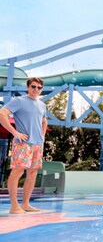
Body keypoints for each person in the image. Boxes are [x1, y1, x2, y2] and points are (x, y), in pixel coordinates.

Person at [0, 77, 48, 214]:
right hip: (23, 143)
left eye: (39, 88)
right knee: (18, 171)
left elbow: (44, 121)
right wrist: (15, 132)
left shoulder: (42, 105)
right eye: (33, 86)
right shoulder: (19, 101)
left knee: (32, 173)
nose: (36, 90)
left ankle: (26, 204)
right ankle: (14, 206)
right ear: (28, 87)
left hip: (37, 144)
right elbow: (2, 114)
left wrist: (42, 137)